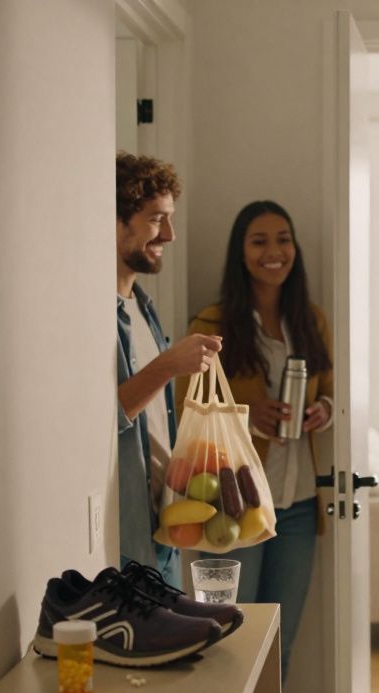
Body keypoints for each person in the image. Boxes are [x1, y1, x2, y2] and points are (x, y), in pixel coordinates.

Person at [181, 200, 334, 680]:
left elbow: (331, 391)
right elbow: (188, 412)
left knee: (278, 648)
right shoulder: (212, 325)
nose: (274, 252)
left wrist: (323, 411)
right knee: (232, 646)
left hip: (299, 504)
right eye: (260, 241)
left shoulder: (311, 321)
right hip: (235, 505)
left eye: (283, 240)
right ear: (241, 252)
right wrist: (249, 419)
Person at [116, 152, 222, 590]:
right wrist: (167, 367)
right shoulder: (93, 317)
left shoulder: (143, 308)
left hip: (164, 528)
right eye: (157, 219)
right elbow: (100, 421)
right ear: (115, 222)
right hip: (127, 536)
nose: (170, 235)